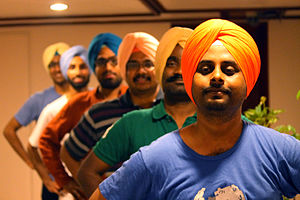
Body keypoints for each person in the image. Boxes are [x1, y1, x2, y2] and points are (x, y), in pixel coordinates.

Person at [90, 19, 300, 200]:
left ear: (248, 82)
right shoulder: (155, 158)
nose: (216, 77)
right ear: (191, 80)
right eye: (205, 69)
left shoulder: (277, 150)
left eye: (229, 70)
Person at [40, 32, 162, 199]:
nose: (140, 71)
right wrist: (91, 190)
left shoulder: (172, 109)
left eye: (148, 63)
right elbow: (65, 151)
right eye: (132, 64)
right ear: (125, 67)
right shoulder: (99, 112)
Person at [38, 33, 127, 200]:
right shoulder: (80, 104)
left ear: (122, 63)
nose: (108, 68)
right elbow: (46, 141)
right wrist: (65, 180)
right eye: (101, 62)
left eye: (114, 61)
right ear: (93, 65)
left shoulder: (134, 101)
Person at [3, 42, 69, 200]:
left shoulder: (83, 97)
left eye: (60, 63)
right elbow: (9, 130)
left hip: (80, 179)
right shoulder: (39, 100)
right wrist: (33, 165)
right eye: (52, 64)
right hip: (53, 185)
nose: (57, 68)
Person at [26, 45, 90, 198]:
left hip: (98, 187)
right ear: (65, 71)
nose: (78, 72)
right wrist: (48, 179)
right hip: (70, 192)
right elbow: (33, 146)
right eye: (72, 67)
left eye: (83, 66)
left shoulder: (99, 103)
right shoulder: (53, 109)